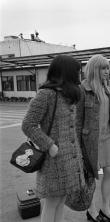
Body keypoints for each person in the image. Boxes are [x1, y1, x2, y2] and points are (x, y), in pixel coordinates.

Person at [22, 55, 84, 222]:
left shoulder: (68, 94)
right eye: (77, 72)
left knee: (61, 200)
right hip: (54, 160)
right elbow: (28, 124)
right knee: (52, 202)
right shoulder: (46, 95)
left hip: (69, 159)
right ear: (67, 72)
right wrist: (49, 145)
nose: (80, 75)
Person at [77, 55, 110, 222]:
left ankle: (105, 207)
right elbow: (77, 121)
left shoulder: (106, 88)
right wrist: (78, 147)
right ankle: (92, 210)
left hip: (107, 137)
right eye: (104, 68)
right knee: (91, 176)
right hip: (90, 140)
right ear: (94, 69)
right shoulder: (83, 90)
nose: (107, 71)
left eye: (108, 68)